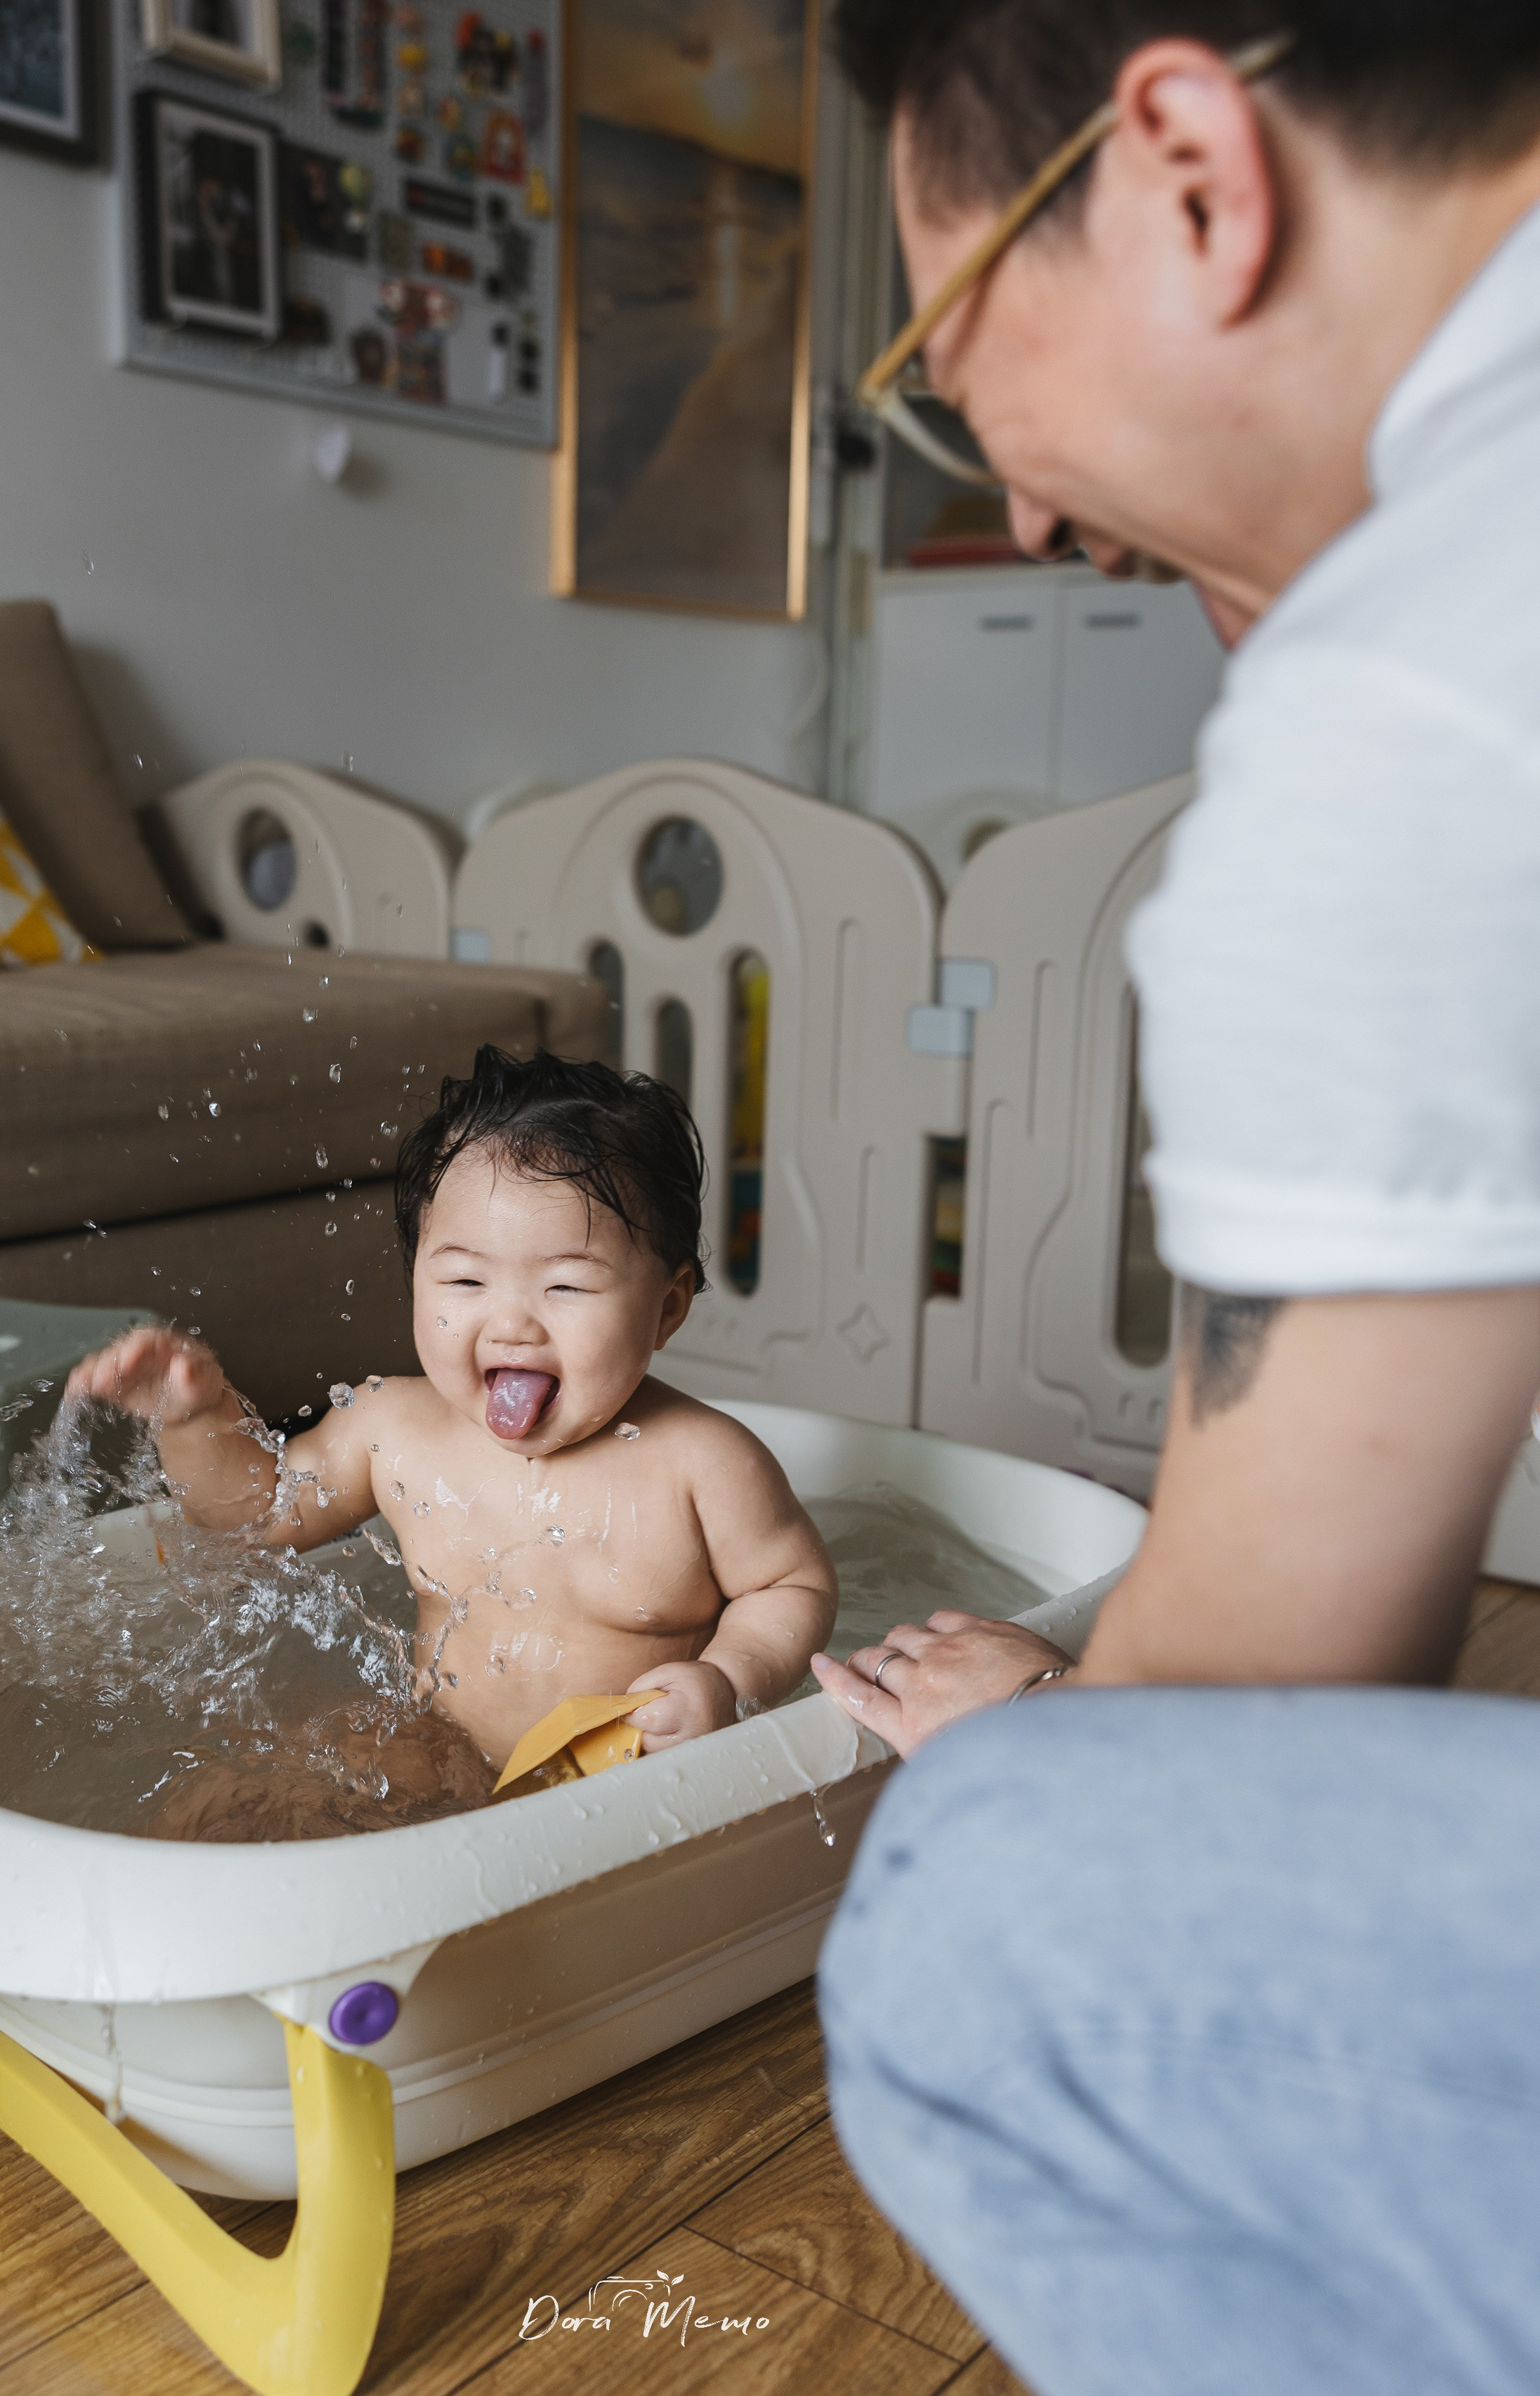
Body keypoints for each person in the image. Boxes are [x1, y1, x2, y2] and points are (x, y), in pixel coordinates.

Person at [809, 5, 1540, 2392]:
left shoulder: (1417, 673)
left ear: (1191, 171)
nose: (1016, 515)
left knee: (994, 1908)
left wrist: (1038, 1734)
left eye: (945, 361)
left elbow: (1252, 1713)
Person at [67, 1047, 836, 1775]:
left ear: (666, 1307)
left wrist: (727, 1683)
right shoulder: (393, 1429)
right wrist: (195, 1420)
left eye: (564, 1286)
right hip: (441, 1755)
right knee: (239, 1801)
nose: (511, 1323)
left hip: (619, 1781)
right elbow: (259, 1513)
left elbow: (791, 1588)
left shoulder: (702, 1462)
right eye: (466, 1283)